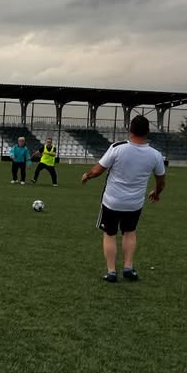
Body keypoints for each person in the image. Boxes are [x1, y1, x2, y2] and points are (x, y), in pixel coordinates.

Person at [80, 115, 166, 282]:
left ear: (130, 130)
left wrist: (87, 176)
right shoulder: (155, 155)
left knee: (110, 233)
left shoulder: (117, 148)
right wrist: (156, 192)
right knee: (130, 232)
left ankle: (111, 272)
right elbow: (161, 181)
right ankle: (128, 267)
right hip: (134, 203)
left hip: (112, 201)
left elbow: (98, 170)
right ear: (147, 132)